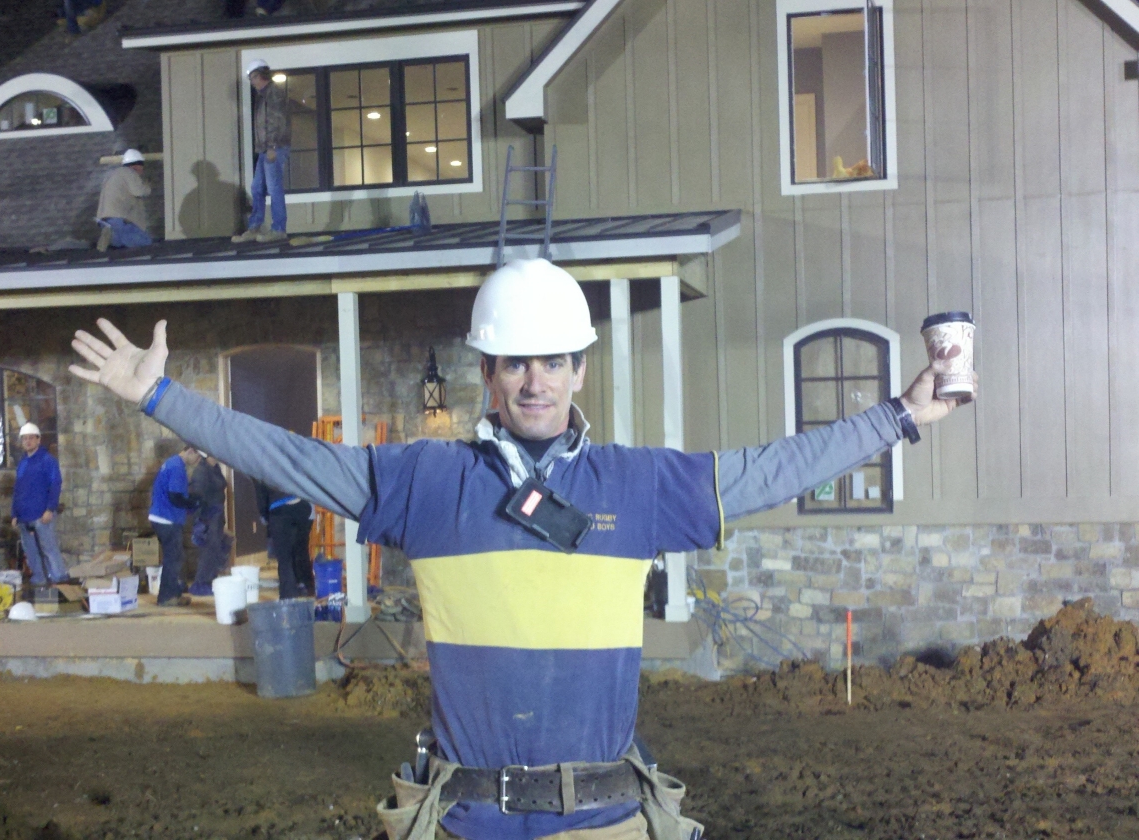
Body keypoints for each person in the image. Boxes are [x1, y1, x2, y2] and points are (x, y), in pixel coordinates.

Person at [70, 258, 975, 840]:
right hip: (467, 821)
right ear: (488, 376)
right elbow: (293, 458)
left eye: (552, 360)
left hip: (611, 820)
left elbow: (777, 468)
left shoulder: (638, 484)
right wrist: (164, 399)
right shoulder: (427, 482)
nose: (535, 380)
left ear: (581, 367)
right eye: (515, 364)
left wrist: (899, 416)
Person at [231, 59, 289, 245]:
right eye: (250, 78)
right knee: (257, 187)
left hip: (274, 148)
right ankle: (255, 226)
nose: (252, 81)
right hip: (266, 149)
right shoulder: (263, 95)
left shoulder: (273, 94)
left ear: (263, 74)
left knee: (273, 188)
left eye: (254, 76)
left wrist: (272, 146)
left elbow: (276, 121)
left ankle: (279, 229)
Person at [11, 423, 69, 587]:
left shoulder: (48, 461)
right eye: (24, 439)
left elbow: (55, 484)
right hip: (24, 516)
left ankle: (59, 579)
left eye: (31, 438)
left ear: (38, 440)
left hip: (41, 514)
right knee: (31, 552)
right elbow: (18, 489)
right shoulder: (23, 463)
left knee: (48, 548)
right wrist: (14, 514)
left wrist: (50, 509)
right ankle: (39, 579)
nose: (27, 441)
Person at [148, 445, 202, 606]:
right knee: (173, 558)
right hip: (167, 518)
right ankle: (166, 597)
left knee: (175, 556)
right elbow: (175, 497)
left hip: (162, 516)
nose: (198, 461)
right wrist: (194, 502)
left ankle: (174, 594)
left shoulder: (172, 463)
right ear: (190, 451)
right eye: (198, 457)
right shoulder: (177, 467)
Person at [253, 479, 314, 599]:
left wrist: (264, 515)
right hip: (303, 505)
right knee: (301, 550)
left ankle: (289, 595)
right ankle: (307, 587)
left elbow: (261, 492)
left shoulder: (262, 463)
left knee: (284, 557)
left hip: (279, 508)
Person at [187, 453, 232, 596]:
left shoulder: (215, 468)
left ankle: (210, 579)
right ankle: (201, 583)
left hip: (217, 514)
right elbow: (197, 495)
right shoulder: (201, 471)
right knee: (209, 550)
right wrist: (201, 521)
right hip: (208, 516)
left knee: (216, 548)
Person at [96, 149, 153, 251]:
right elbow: (139, 191)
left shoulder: (112, 175)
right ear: (136, 165)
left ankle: (110, 237)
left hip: (105, 220)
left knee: (120, 246)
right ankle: (111, 235)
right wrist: (147, 186)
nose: (142, 170)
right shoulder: (129, 172)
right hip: (119, 219)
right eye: (142, 166)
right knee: (145, 242)